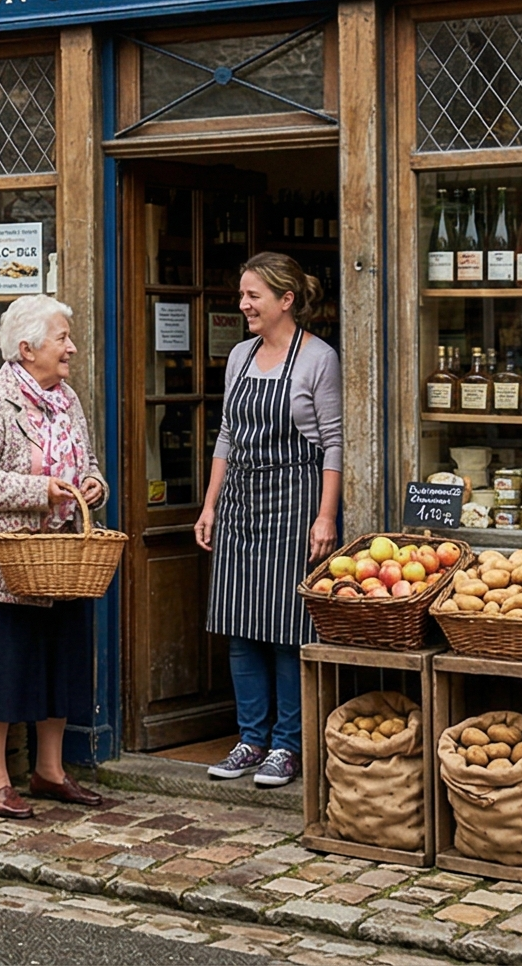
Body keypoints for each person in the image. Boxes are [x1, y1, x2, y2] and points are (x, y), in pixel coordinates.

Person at [0, 293, 109, 818]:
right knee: (1, 669)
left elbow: (87, 462)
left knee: (59, 662)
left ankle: (50, 771)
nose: (72, 348)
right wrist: (39, 491)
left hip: (61, 559)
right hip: (3, 563)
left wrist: (93, 484)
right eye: (62, 338)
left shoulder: (67, 400)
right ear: (27, 347)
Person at [193, 252, 342, 788]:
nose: (243, 305)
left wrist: (326, 516)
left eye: (252, 295)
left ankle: (287, 745)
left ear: (285, 300)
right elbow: (227, 436)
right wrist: (210, 504)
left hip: (295, 501)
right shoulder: (238, 356)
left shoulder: (318, 358)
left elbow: (332, 443)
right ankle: (249, 739)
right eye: (241, 295)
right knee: (239, 626)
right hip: (240, 502)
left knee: (285, 629)